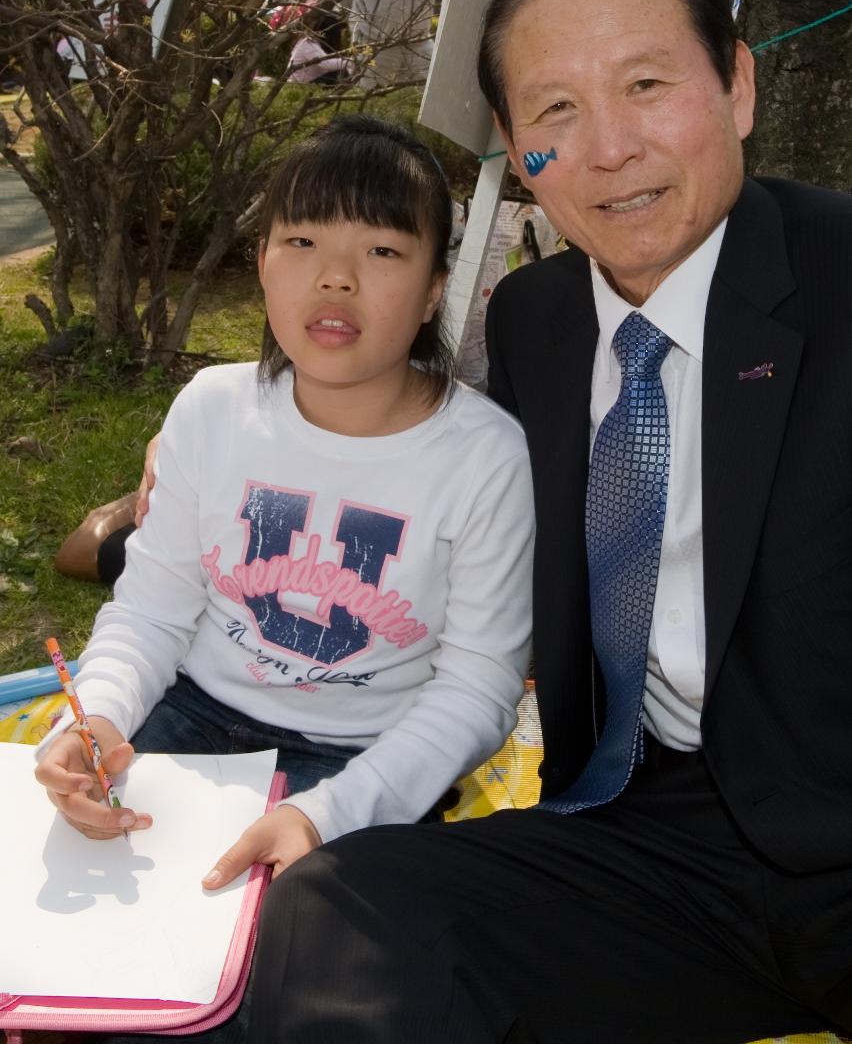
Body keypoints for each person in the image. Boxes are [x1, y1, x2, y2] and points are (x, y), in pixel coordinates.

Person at [245, 0, 852, 1043]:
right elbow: (424, 480)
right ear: (517, 148)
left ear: (739, 84)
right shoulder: (537, 320)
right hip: (652, 834)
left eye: (647, 83)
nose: (609, 146)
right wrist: (185, 486)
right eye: (556, 111)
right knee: (346, 904)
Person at [34, 114, 534, 1041]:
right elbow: (149, 609)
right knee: (80, 952)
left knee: (293, 989)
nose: (335, 276)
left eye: (381, 249)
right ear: (261, 261)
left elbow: (479, 688)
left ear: (433, 290)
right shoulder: (213, 410)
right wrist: (98, 714)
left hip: (370, 760)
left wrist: (328, 813)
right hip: (190, 724)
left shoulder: (485, 456)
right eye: (301, 240)